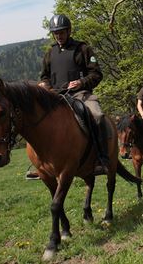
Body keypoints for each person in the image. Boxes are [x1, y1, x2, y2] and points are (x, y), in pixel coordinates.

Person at [32, 14, 109, 176]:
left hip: (80, 94)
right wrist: (44, 85)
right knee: (37, 120)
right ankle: (39, 164)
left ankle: (102, 158)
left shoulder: (83, 49)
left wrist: (81, 82)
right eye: (55, 33)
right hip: (55, 97)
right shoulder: (50, 53)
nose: (58, 36)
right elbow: (44, 76)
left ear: (68, 31)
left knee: (97, 115)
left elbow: (96, 74)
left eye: (61, 32)